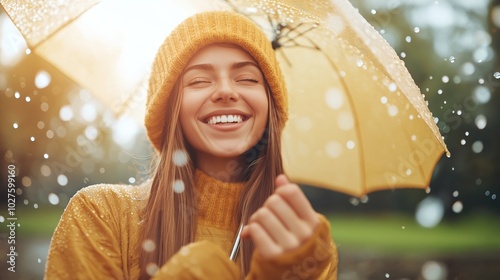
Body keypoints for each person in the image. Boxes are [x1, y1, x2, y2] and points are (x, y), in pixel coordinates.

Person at [45, 10, 338, 279]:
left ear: (270, 107)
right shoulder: (101, 215)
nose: (225, 91)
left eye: (247, 78)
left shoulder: (302, 243)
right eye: (198, 81)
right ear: (170, 109)